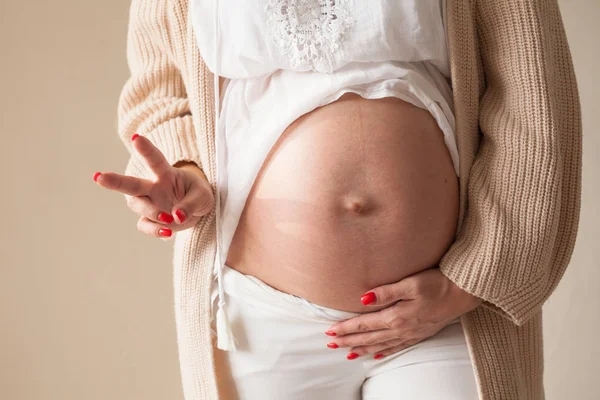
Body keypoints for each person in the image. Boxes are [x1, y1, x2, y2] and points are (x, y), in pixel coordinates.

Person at [93, 0, 582, 399]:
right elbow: (161, 90)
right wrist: (182, 170)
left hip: (445, 312)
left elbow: (535, 96)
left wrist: (473, 281)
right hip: (259, 316)